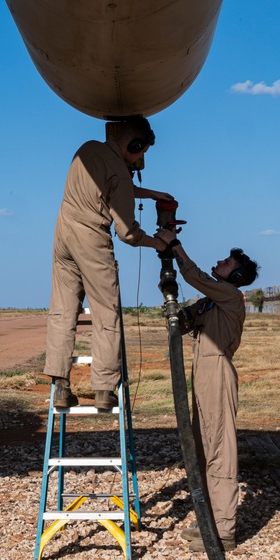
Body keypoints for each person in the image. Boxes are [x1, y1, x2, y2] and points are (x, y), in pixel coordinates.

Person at [43, 116, 177, 411]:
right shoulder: (119, 170)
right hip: (90, 238)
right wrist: (157, 242)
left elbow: (107, 185)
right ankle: (104, 389)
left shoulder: (88, 149)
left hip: (62, 234)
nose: (140, 158)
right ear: (135, 144)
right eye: (141, 152)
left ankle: (61, 387)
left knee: (63, 311)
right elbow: (126, 232)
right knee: (106, 313)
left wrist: (150, 193)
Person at [170, 242, 259, 552]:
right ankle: (208, 521)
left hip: (217, 371)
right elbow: (184, 322)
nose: (219, 262)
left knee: (220, 450)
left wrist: (177, 249)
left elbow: (195, 276)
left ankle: (223, 532)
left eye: (225, 262)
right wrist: (173, 309)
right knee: (203, 449)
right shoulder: (210, 302)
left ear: (234, 275)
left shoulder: (230, 296)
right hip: (202, 375)